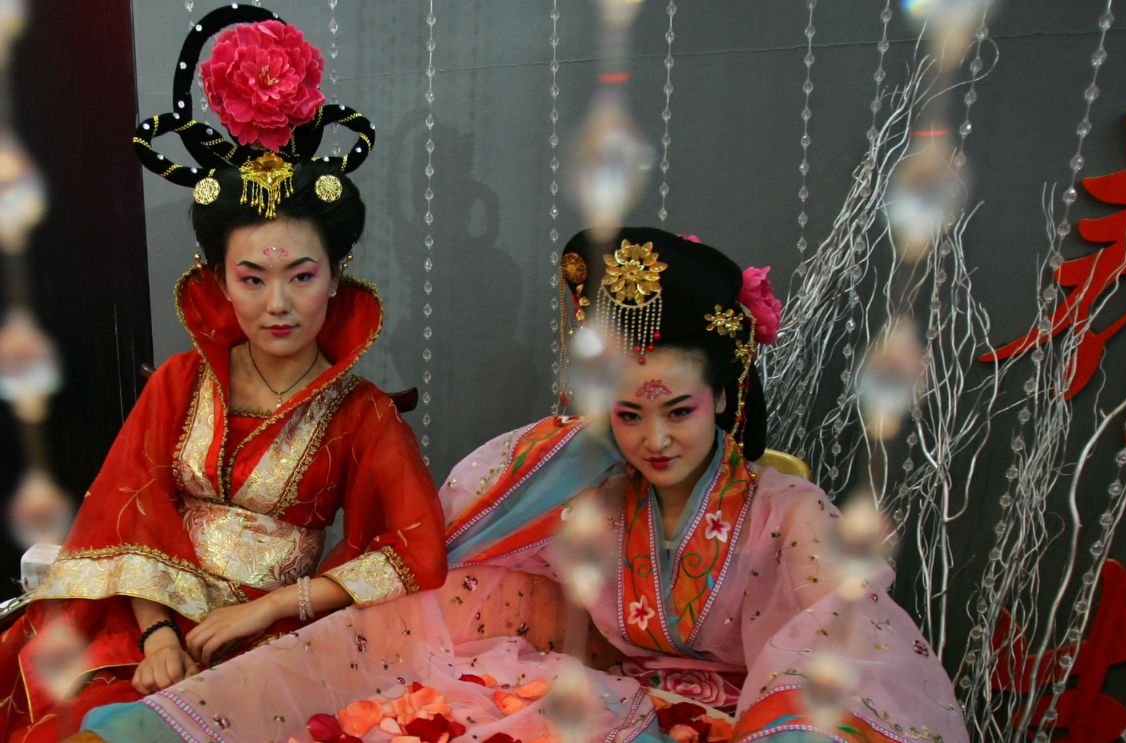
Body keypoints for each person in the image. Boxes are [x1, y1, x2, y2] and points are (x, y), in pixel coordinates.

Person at [81, 227, 968, 742]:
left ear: (727, 395)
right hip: (608, 704)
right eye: (625, 413)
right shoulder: (589, 500)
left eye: (679, 410)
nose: (652, 439)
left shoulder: (787, 511)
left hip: (749, 722)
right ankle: (190, 720)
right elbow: (464, 578)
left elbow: (842, 634)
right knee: (426, 631)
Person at [0, 7, 446, 741]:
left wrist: (275, 606)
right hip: (148, 622)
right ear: (218, 280)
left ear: (337, 278)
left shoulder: (362, 412)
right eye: (252, 277)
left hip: (275, 635)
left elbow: (410, 551)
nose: (278, 304)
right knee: (78, 720)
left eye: (302, 275)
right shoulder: (178, 382)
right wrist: (158, 637)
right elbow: (129, 508)